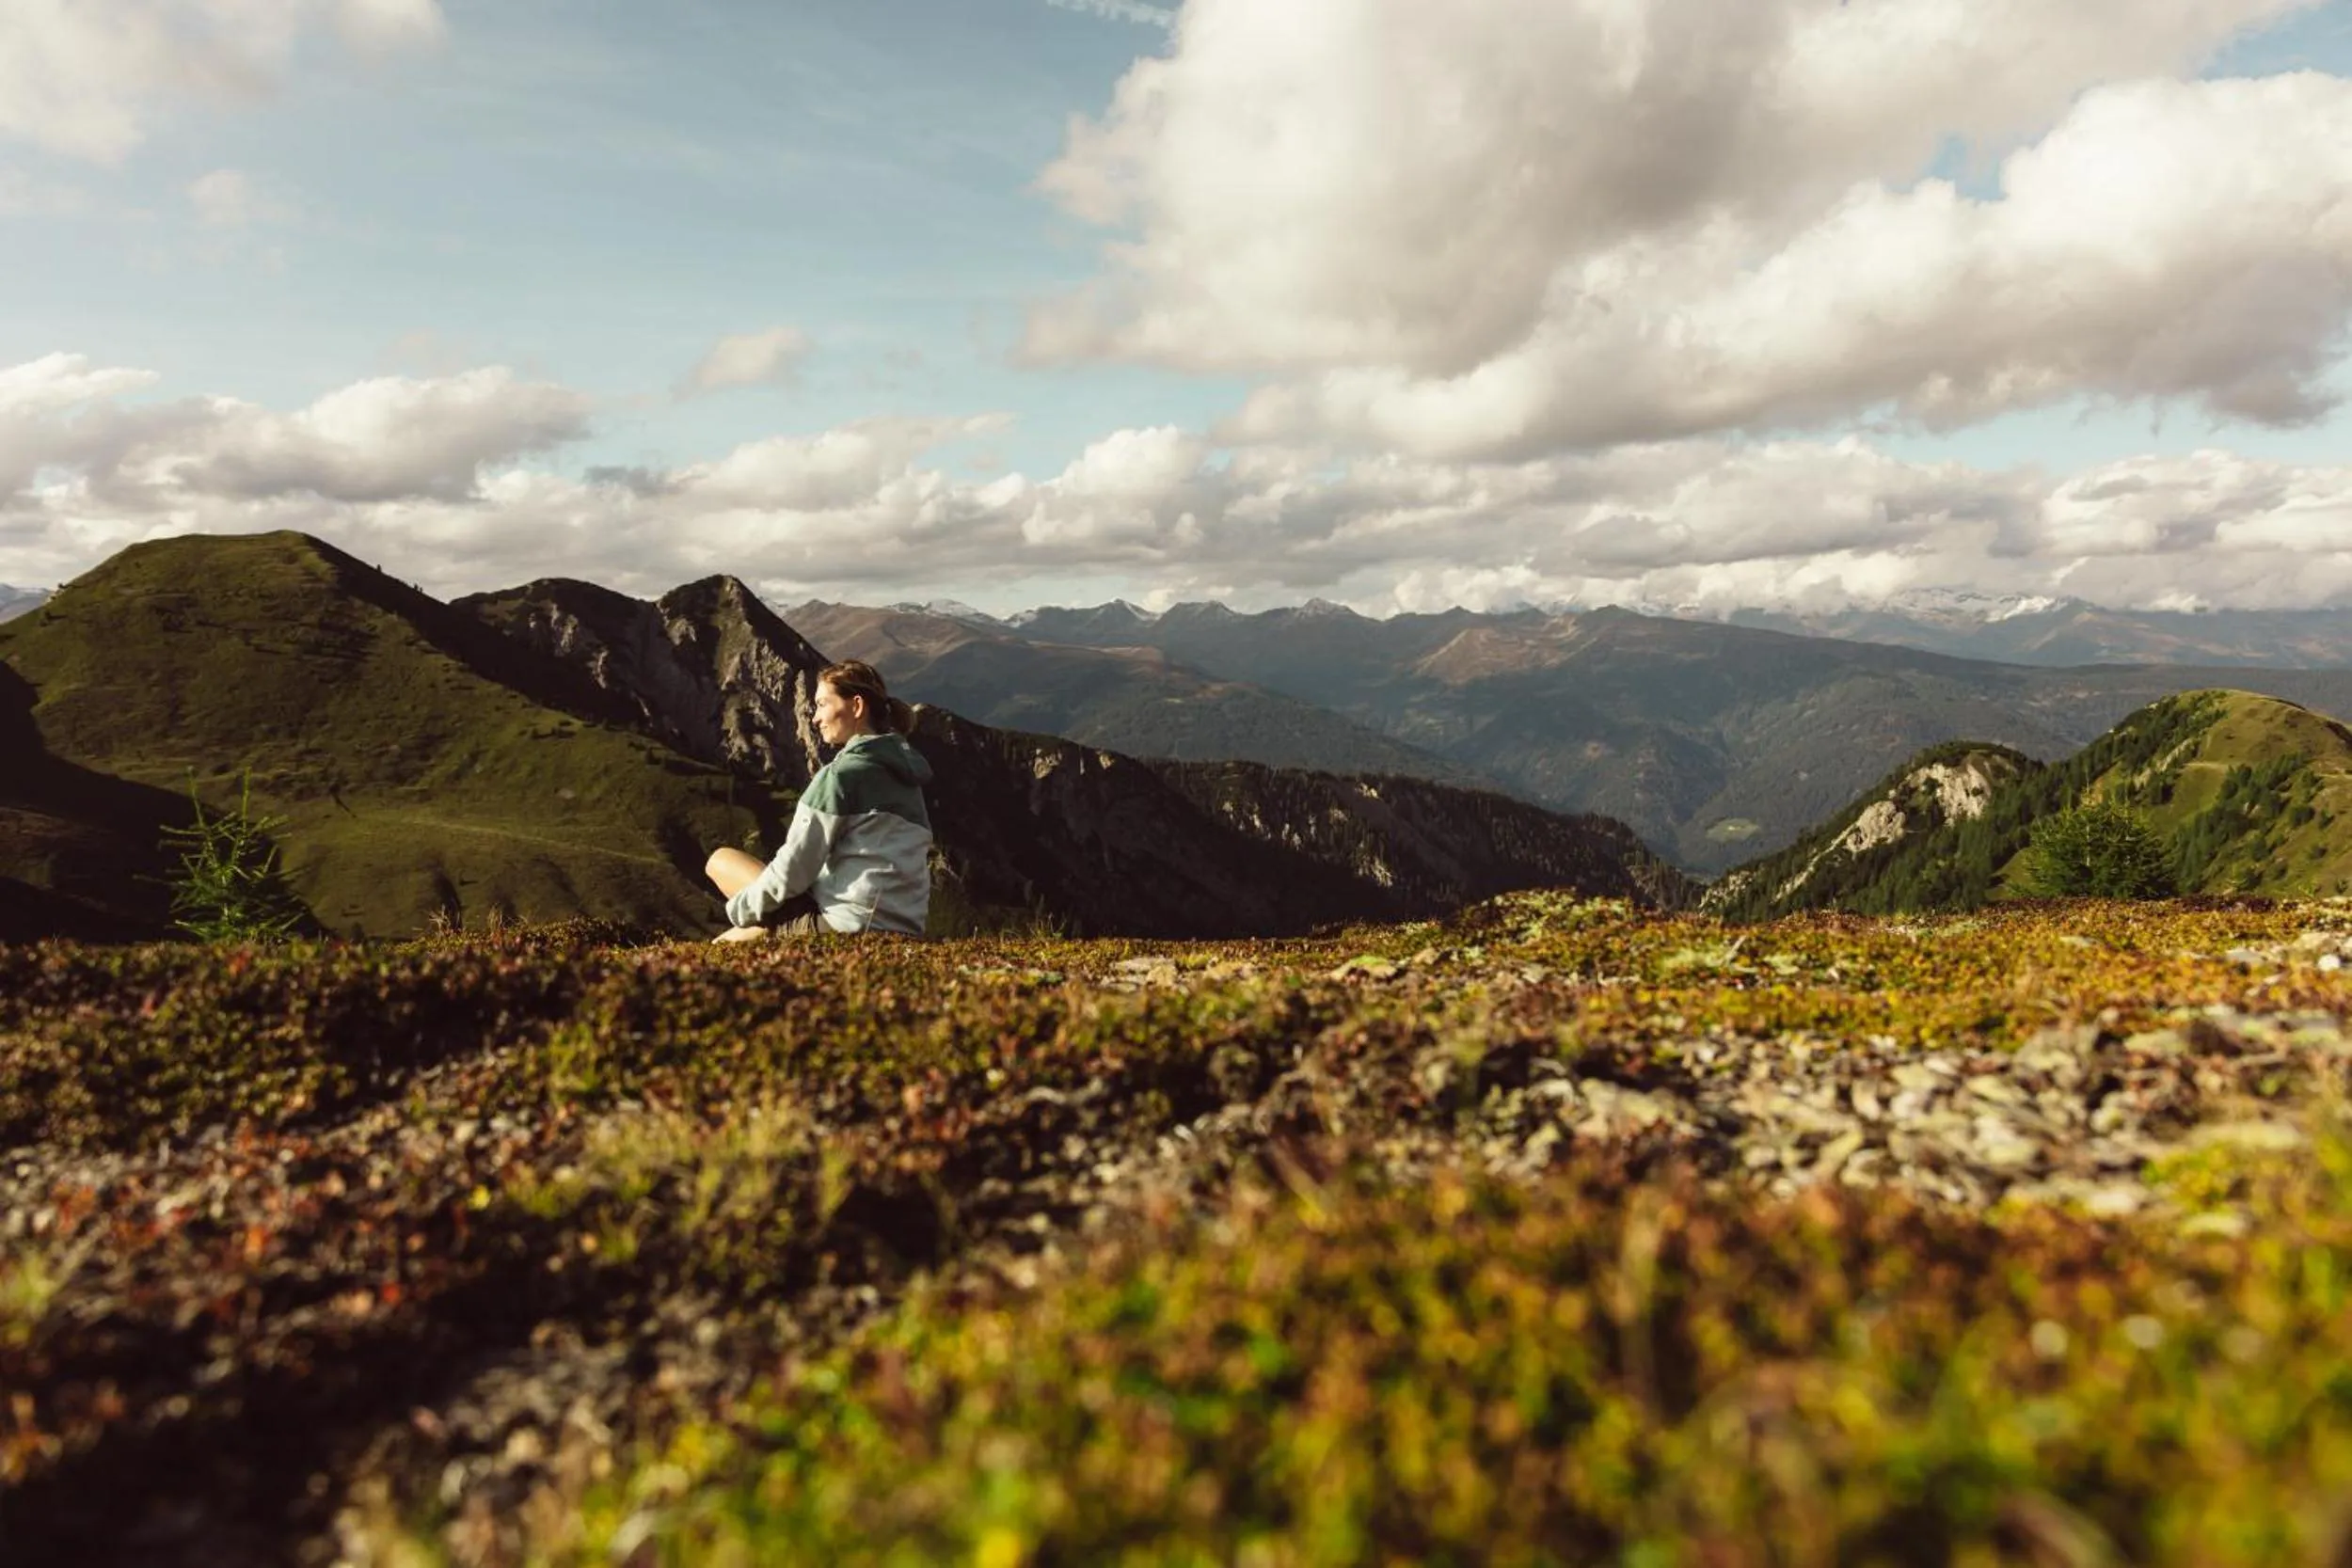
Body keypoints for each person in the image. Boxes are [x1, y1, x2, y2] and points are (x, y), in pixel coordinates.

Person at [704, 660, 933, 941]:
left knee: (720, 867)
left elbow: (795, 869)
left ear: (857, 707)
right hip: (905, 929)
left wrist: (742, 913)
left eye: (823, 704)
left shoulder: (840, 776)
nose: (814, 718)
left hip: (845, 927)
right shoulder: (910, 781)